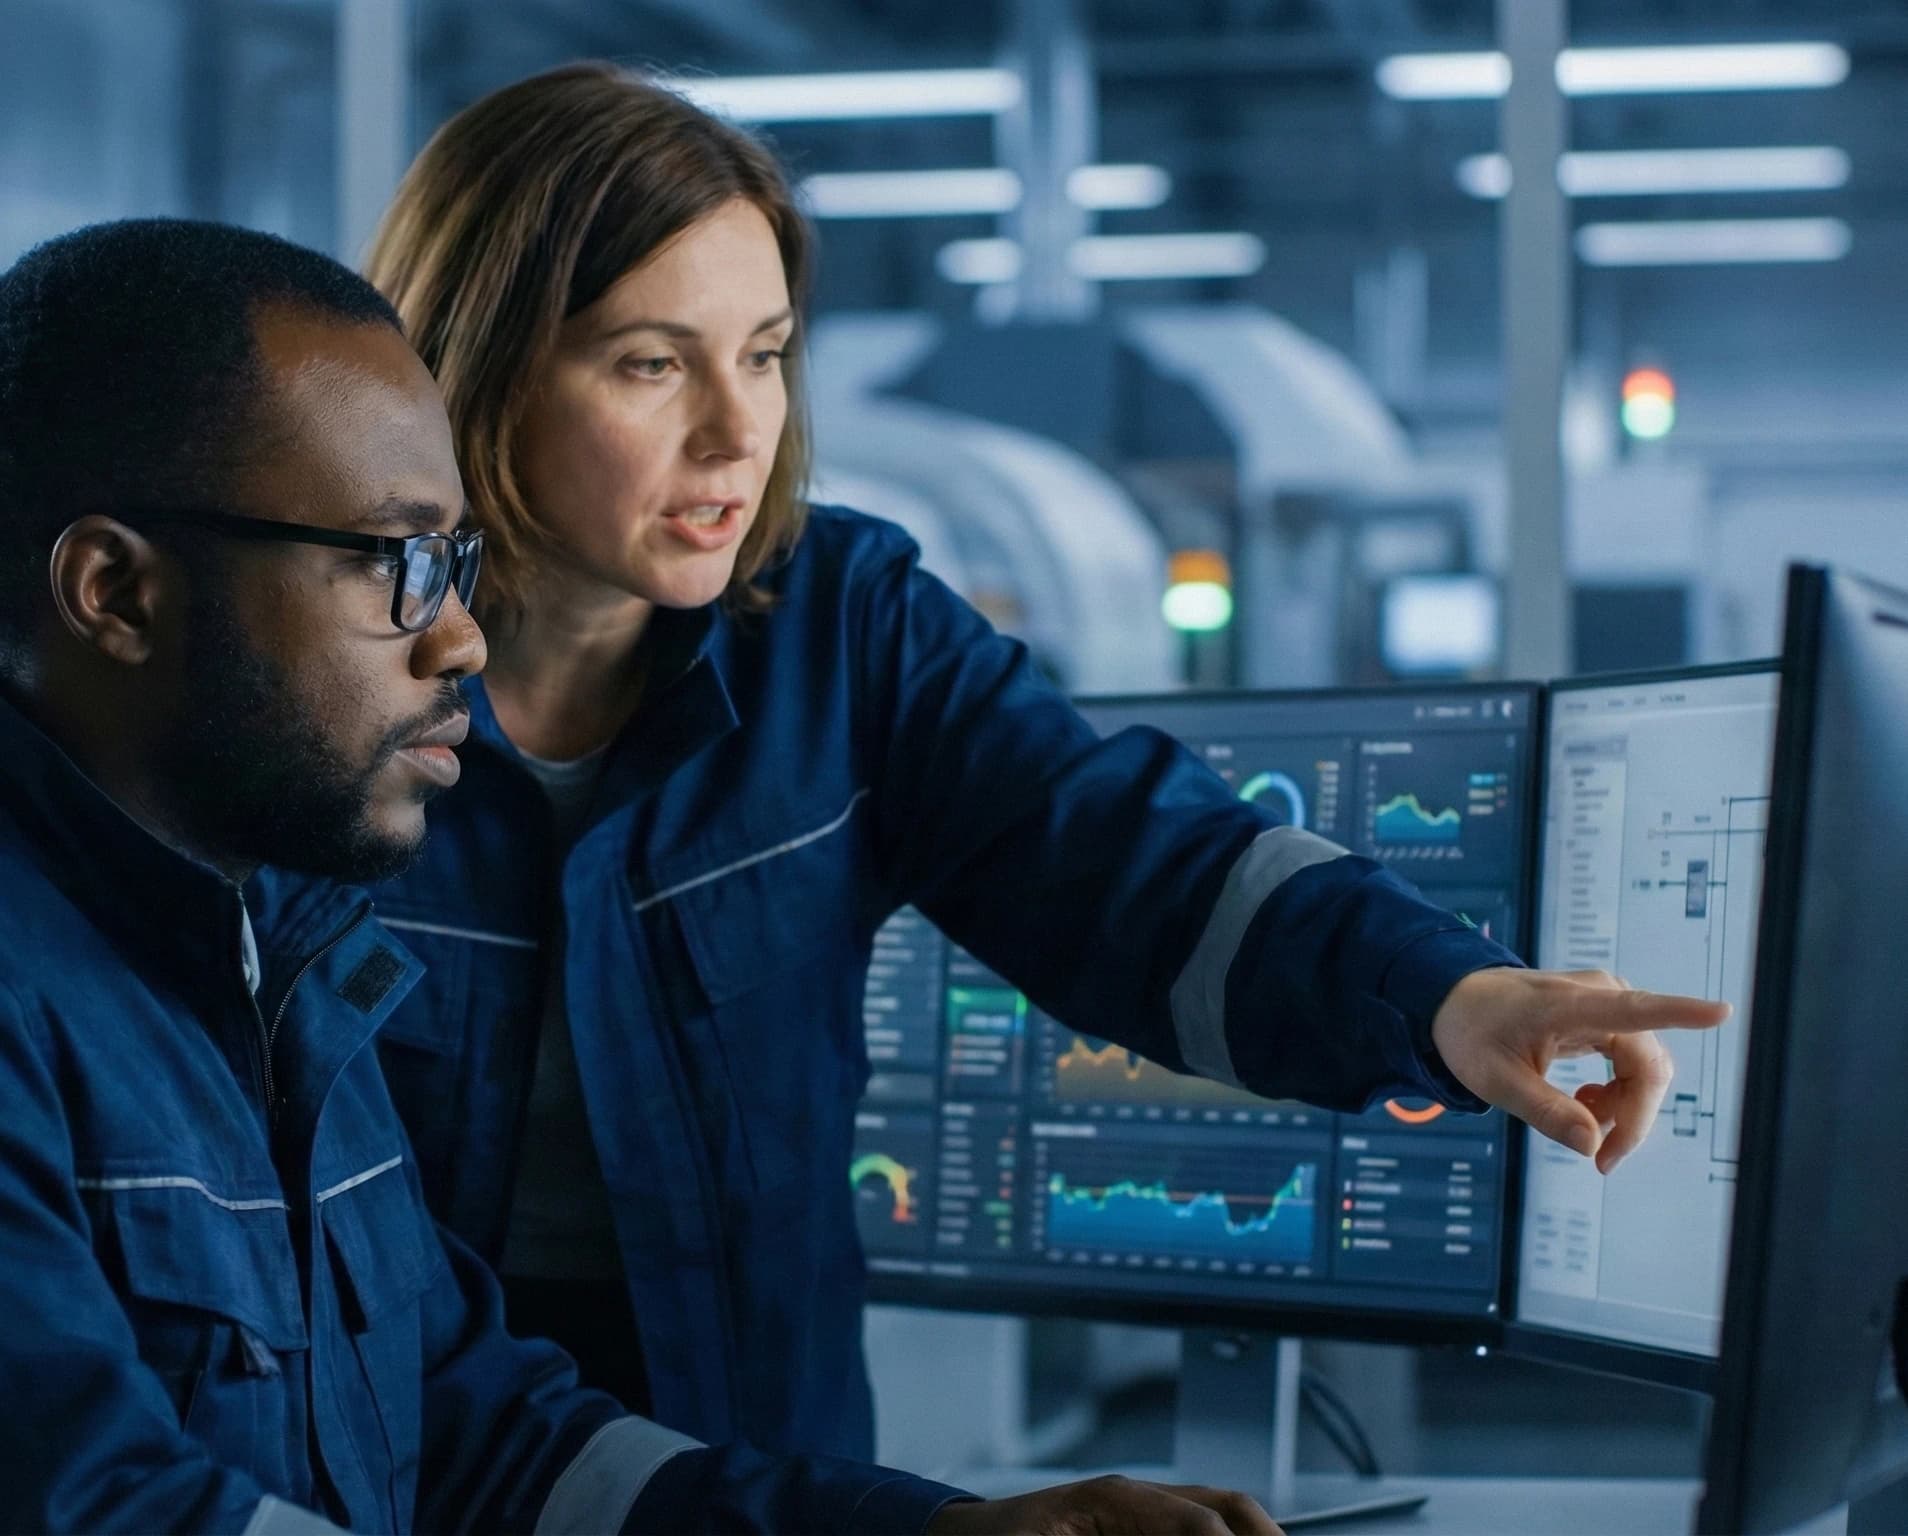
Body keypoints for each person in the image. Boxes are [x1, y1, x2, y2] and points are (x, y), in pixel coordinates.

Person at [341, 62, 1728, 1463]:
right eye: (652, 363)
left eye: (762, 353)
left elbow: (1132, 859)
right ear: (480, 365)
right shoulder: (312, 686)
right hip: (401, 1452)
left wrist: (1446, 992)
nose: (736, 430)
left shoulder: (842, 630)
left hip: (755, 1449)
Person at [0, 216, 1286, 1536]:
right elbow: (103, 1509)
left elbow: (476, 1432)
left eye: (455, 565)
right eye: (392, 563)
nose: (454, 640)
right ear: (116, 591)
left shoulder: (276, 947)